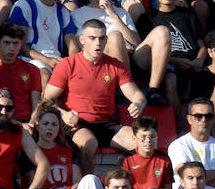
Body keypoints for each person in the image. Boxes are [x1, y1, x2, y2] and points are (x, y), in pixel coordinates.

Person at [42, 19, 146, 176]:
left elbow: (136, 94)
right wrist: (64, 114)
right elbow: (46, 100)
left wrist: (139, 103)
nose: (98, 43)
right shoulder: (68, 64)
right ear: (82, 40)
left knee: (142, 142)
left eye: (101, 38)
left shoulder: (115, 65)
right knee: (89, 143)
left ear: (106, 40)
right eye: (92, 38)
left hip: (106, 125)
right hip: (76, 122)